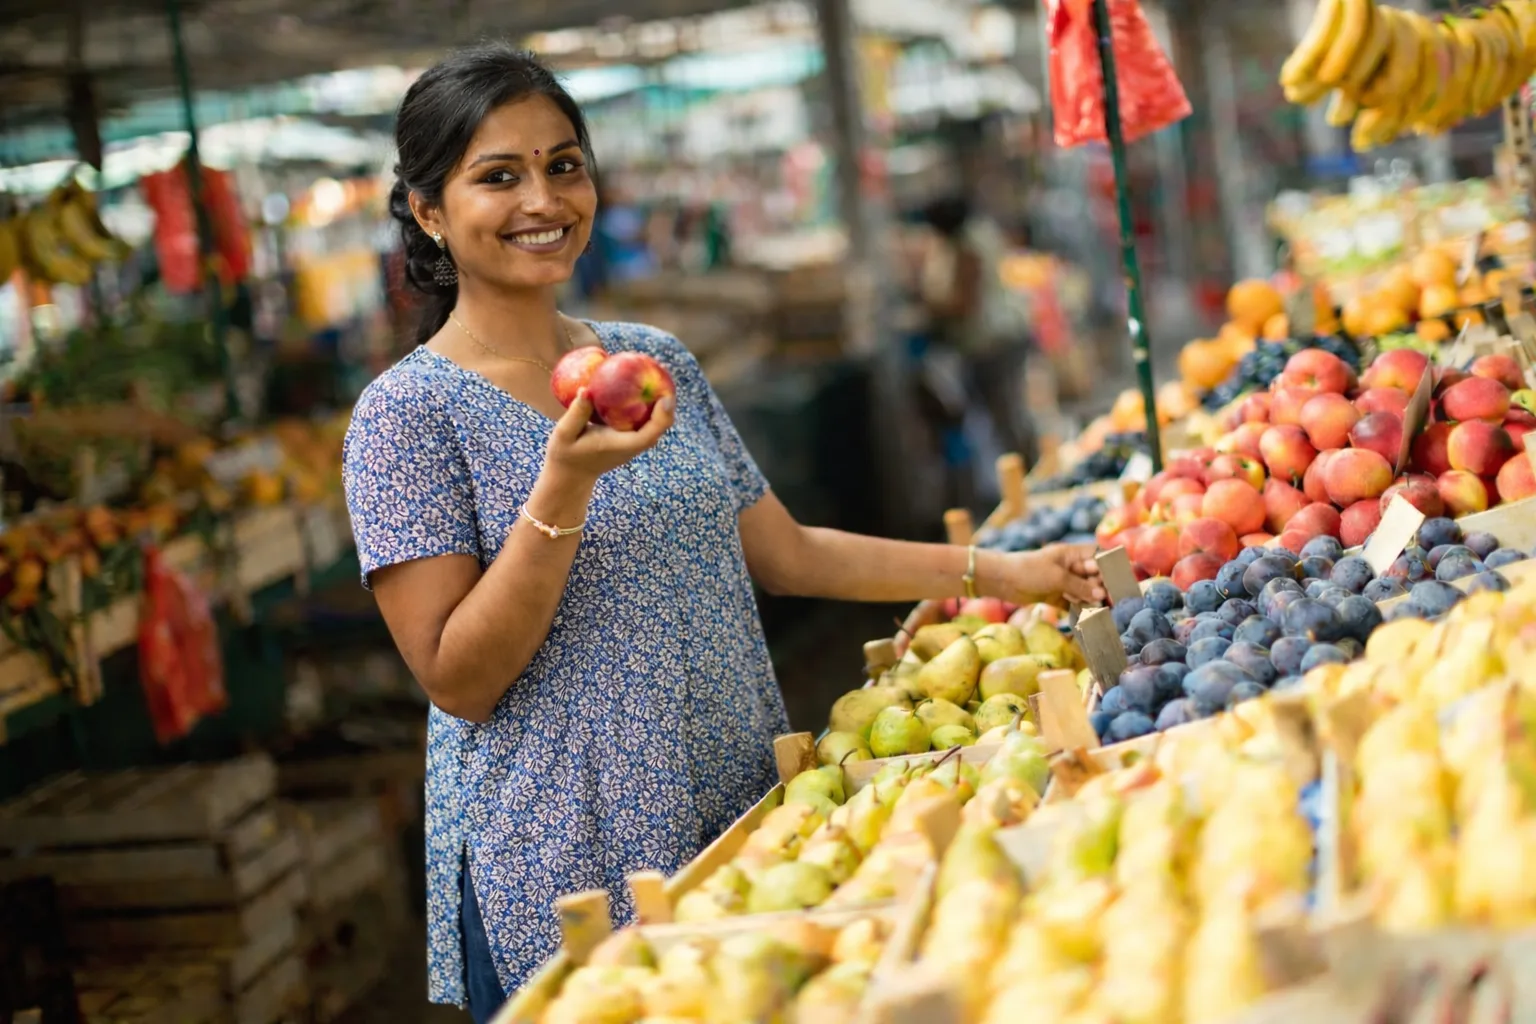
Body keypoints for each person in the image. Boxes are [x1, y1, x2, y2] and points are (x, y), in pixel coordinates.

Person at [342, 43, 1104, 1023]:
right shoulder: (408, 417)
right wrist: (563, 485)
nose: (543, 198)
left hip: (736, 807)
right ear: (428, 210)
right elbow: (458, 674)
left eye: (563, 164)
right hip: (568, 859)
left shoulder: (654, 360)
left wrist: (1007, 567)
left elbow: (790, 553)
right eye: (499, 176)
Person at [919, 194, 1037, 467]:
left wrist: (931, 307)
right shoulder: (977, 233)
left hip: (992, 343)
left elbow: (965, 302)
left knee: (1007, 419)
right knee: (1008, 417)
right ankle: (1027, 476)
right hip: (996, 339)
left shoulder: (966, 245)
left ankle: (1028, 479)